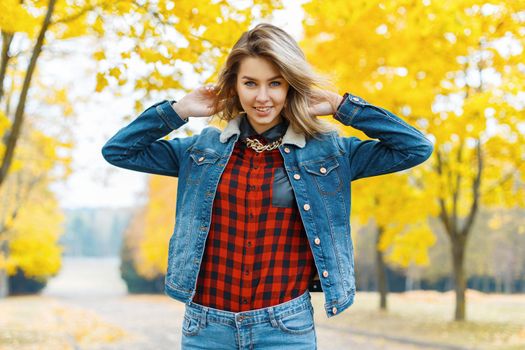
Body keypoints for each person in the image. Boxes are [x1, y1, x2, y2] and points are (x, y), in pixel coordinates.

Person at [102, 22, 433, 350]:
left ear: (291, 85)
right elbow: (118, 150)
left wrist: (342, 107)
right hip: (207, 329)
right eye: (250, 83)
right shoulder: (200, 151)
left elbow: (415, 147)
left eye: (275, 83)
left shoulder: (330, 153)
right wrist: (178, 111)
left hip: (285, 329)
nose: (262, 97)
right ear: (234, 86)